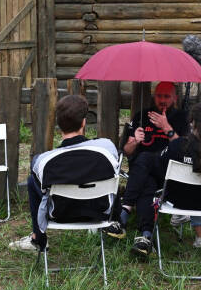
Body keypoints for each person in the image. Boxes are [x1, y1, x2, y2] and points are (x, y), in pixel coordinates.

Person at [106, 102, 201, 255]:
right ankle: (145, 236)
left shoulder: (180, 146)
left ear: (193, 123)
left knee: (146, 163)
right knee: (148, 179)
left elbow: (159, 161)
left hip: (177, 200)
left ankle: (126, 213)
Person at [9, 95, 119, 253]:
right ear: (84, 122)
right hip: (100, 212)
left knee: (32, 180)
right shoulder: (107, 148)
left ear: (58, 125)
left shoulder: (43, 161)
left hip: (60, 214)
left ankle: (38, 239)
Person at [105, 81, 190, 256]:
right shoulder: (141, 116)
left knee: (145, 158)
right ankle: (146, 237)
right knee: (147, 185)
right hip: (141, 175)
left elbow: (185, 150)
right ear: (154, 96)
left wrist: (167, 128)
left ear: (174, 98)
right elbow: (126, 152)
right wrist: (134, 141)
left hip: (169, 173)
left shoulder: (181, 118)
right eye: (159, 96)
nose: (162, 100)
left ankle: (125, 210)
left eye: (167, 96)